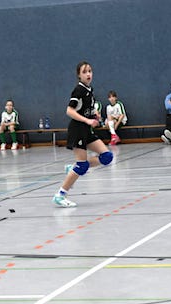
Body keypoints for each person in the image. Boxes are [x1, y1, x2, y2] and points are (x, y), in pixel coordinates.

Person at [52, 61, 114, 208]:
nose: (88, 74)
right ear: (79, 75)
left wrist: (95, 115)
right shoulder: (78, 90)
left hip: (87, 130)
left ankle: (73, 168)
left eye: (90, 71)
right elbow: (69, 111)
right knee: (82, 166)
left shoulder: (89, 89)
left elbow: (85, 108)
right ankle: (60, 195)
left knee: (107, 156)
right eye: (85, 72)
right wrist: (87, 120)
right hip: (77, 130)